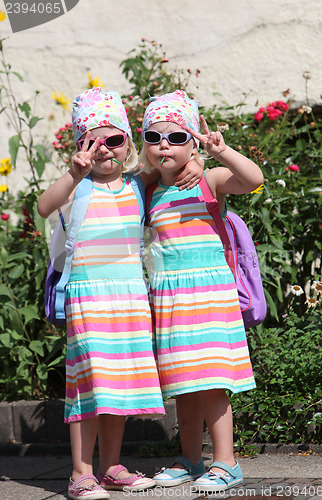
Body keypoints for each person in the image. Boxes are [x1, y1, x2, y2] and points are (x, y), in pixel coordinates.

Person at [37, 87, 203, 500]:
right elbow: (44, 206)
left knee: (119, 383)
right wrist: (74, 172)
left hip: (130, 295)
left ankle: (110, 466)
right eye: (92, 142)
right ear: (79, 147)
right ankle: (80, 472)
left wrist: (197, 161)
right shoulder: (77, 186)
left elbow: (168, 166)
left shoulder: (137, 183)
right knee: (89, 382)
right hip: (89, 295)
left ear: (127, 143)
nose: (103, 150)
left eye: (113, 140)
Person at [140, 90, 264, 493]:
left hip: (209, 294)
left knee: (211, 379)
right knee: (182, 383)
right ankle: (190, 458)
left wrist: (220, 153)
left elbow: (253, 179)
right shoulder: (149, 190)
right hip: (169, 297)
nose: (165, 146)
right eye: (155, 137)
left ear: (193, 142)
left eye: (177, 138)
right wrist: (171, 164)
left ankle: (226, 461)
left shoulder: (208, 180)